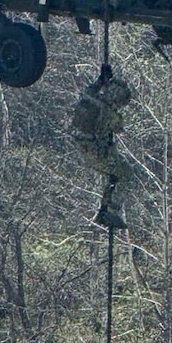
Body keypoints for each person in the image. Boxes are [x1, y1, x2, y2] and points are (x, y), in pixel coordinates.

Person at [71, 65, 133, 229]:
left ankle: (104, 211)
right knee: (125, 173)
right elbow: (118, 127)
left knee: (115, 174)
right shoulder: (110, 113)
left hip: (82, 147)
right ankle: (111, 210)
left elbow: (88, 92)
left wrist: (101, 81)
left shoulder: (91, 98)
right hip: (96, 153)